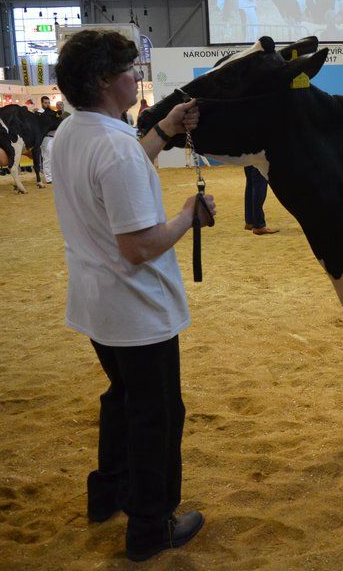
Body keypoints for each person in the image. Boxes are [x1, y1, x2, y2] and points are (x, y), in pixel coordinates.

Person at [51, 29, 212, 562]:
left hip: (98, 304)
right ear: (104, 80)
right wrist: (188, 216)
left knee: (122, 401)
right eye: (128, 68)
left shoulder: (77, 131)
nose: (136, 76)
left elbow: (122, 169)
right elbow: (140, 247)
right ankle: (151, 525)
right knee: (157, 415)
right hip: (137, 307)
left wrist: (163, 130)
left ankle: (109, 495)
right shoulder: (115, 146)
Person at [243, 166, 278, 235]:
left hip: (248, 158)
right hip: (259, 159)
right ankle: (259, 226)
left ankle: (250, 222)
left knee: (250, 185)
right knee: (259, 185)